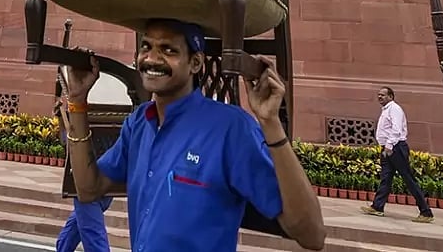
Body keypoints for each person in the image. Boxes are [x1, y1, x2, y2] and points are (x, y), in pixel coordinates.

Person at [62, 18, 328, 252]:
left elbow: (312, 235)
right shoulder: (140, 123)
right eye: (146, 46)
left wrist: (271, 123)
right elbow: (89, 190)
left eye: (168, 49)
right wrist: (77, 102)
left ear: (196, 62)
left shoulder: (231, 128)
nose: (152, 58)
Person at [360, 86, 434, 223]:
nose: (380, 97)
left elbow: (396, 129)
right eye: (378, 94)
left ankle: (426, 212)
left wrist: (389, 146)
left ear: (391, 97)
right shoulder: (386, 110)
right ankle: (377, 206)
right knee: (386, 178)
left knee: (408, 179)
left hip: (395, 148)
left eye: (383, 95)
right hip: (388, 148)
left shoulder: (394, 109)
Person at [52, 99, 113, 252]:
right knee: (77, 226)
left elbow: (70, 142)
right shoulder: (112, 130)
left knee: (93, 237)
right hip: (105, 183)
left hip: (88, 184)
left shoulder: (81, 130)